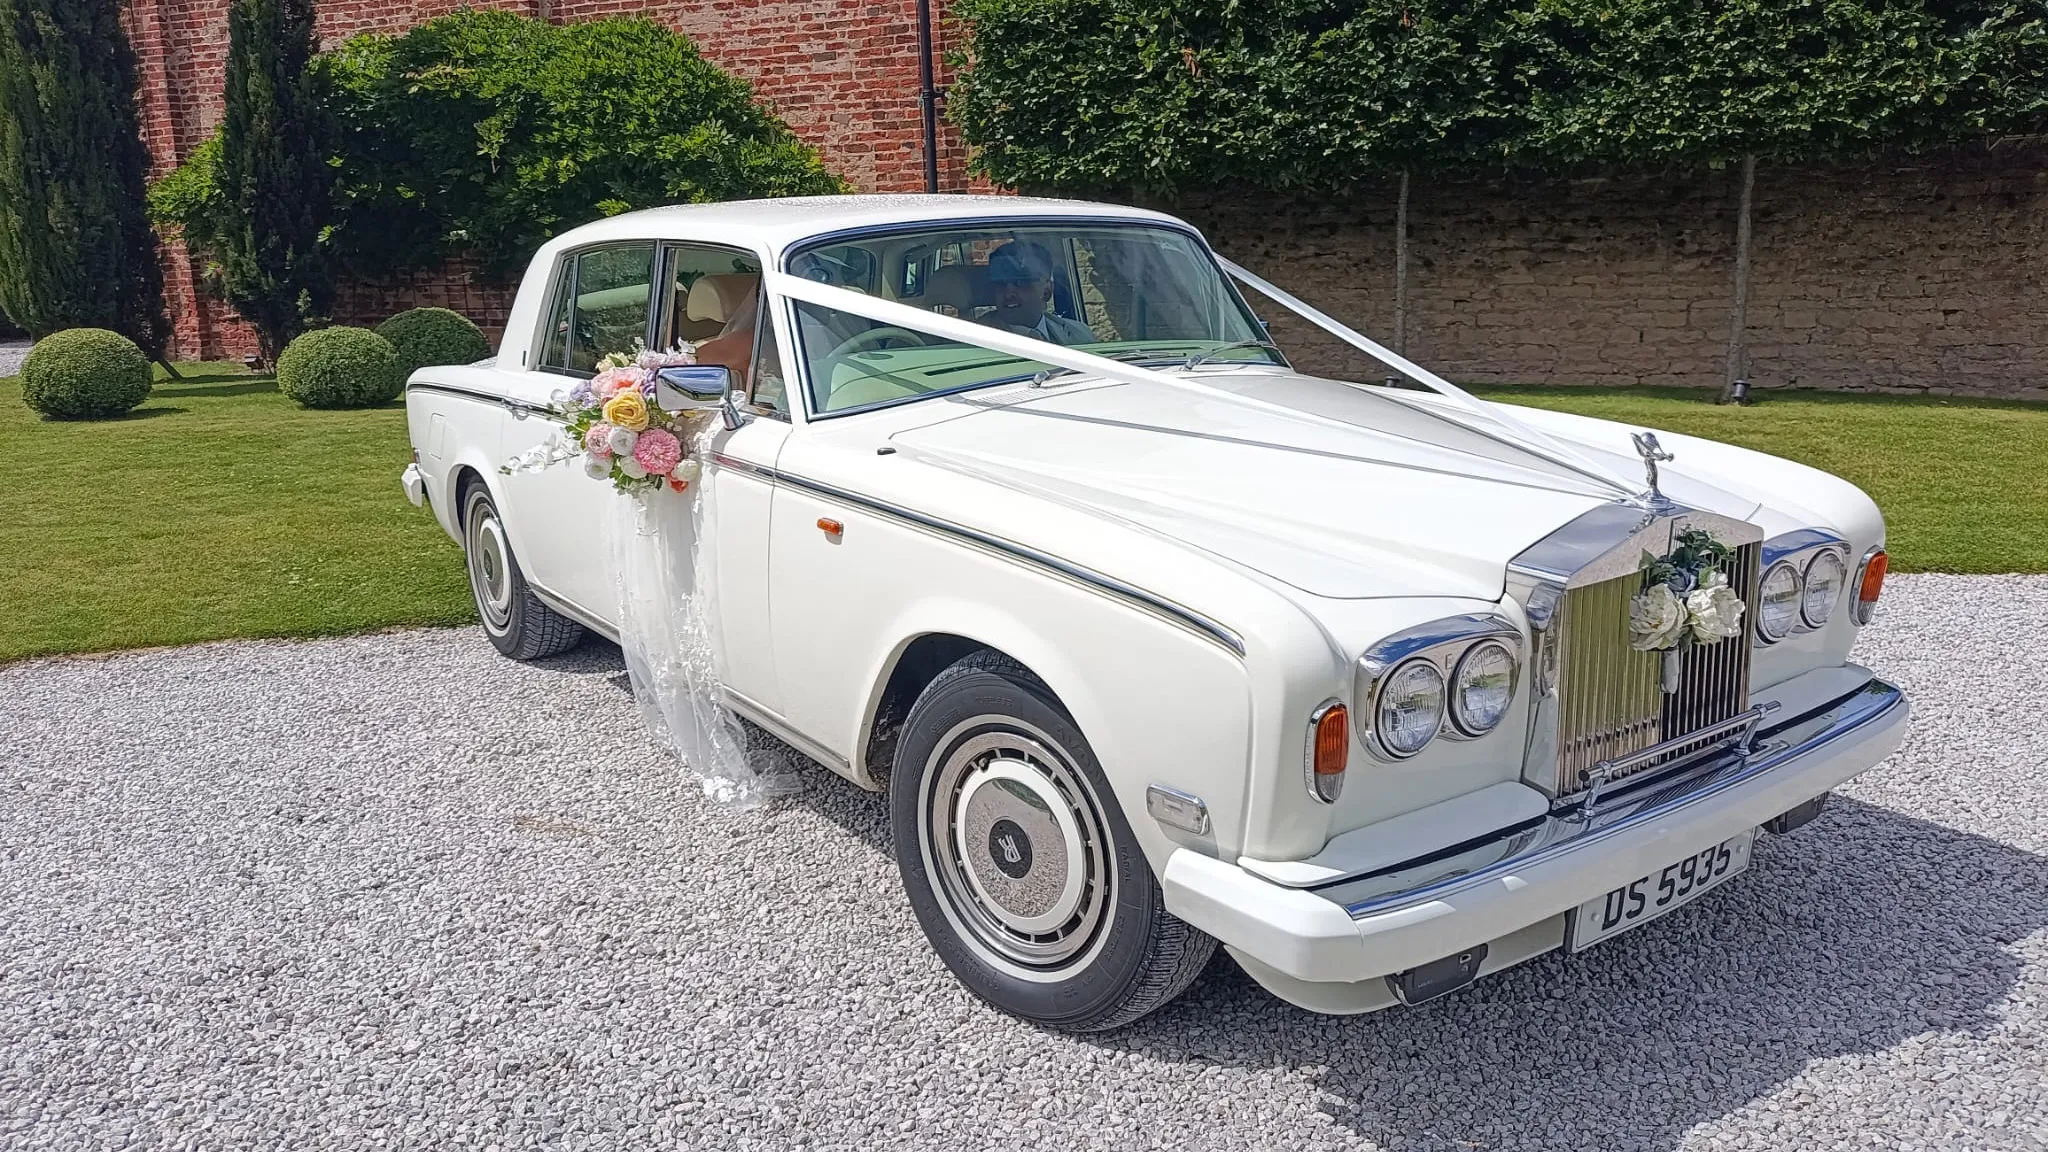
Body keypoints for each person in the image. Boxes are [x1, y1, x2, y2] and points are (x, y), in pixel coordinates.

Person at [981, 241, 1096, 345]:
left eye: (1020, 282)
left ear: (1047, 290)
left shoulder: (1080, 334)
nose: (1008, 293)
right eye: (1000, 283)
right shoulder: (974, 339)